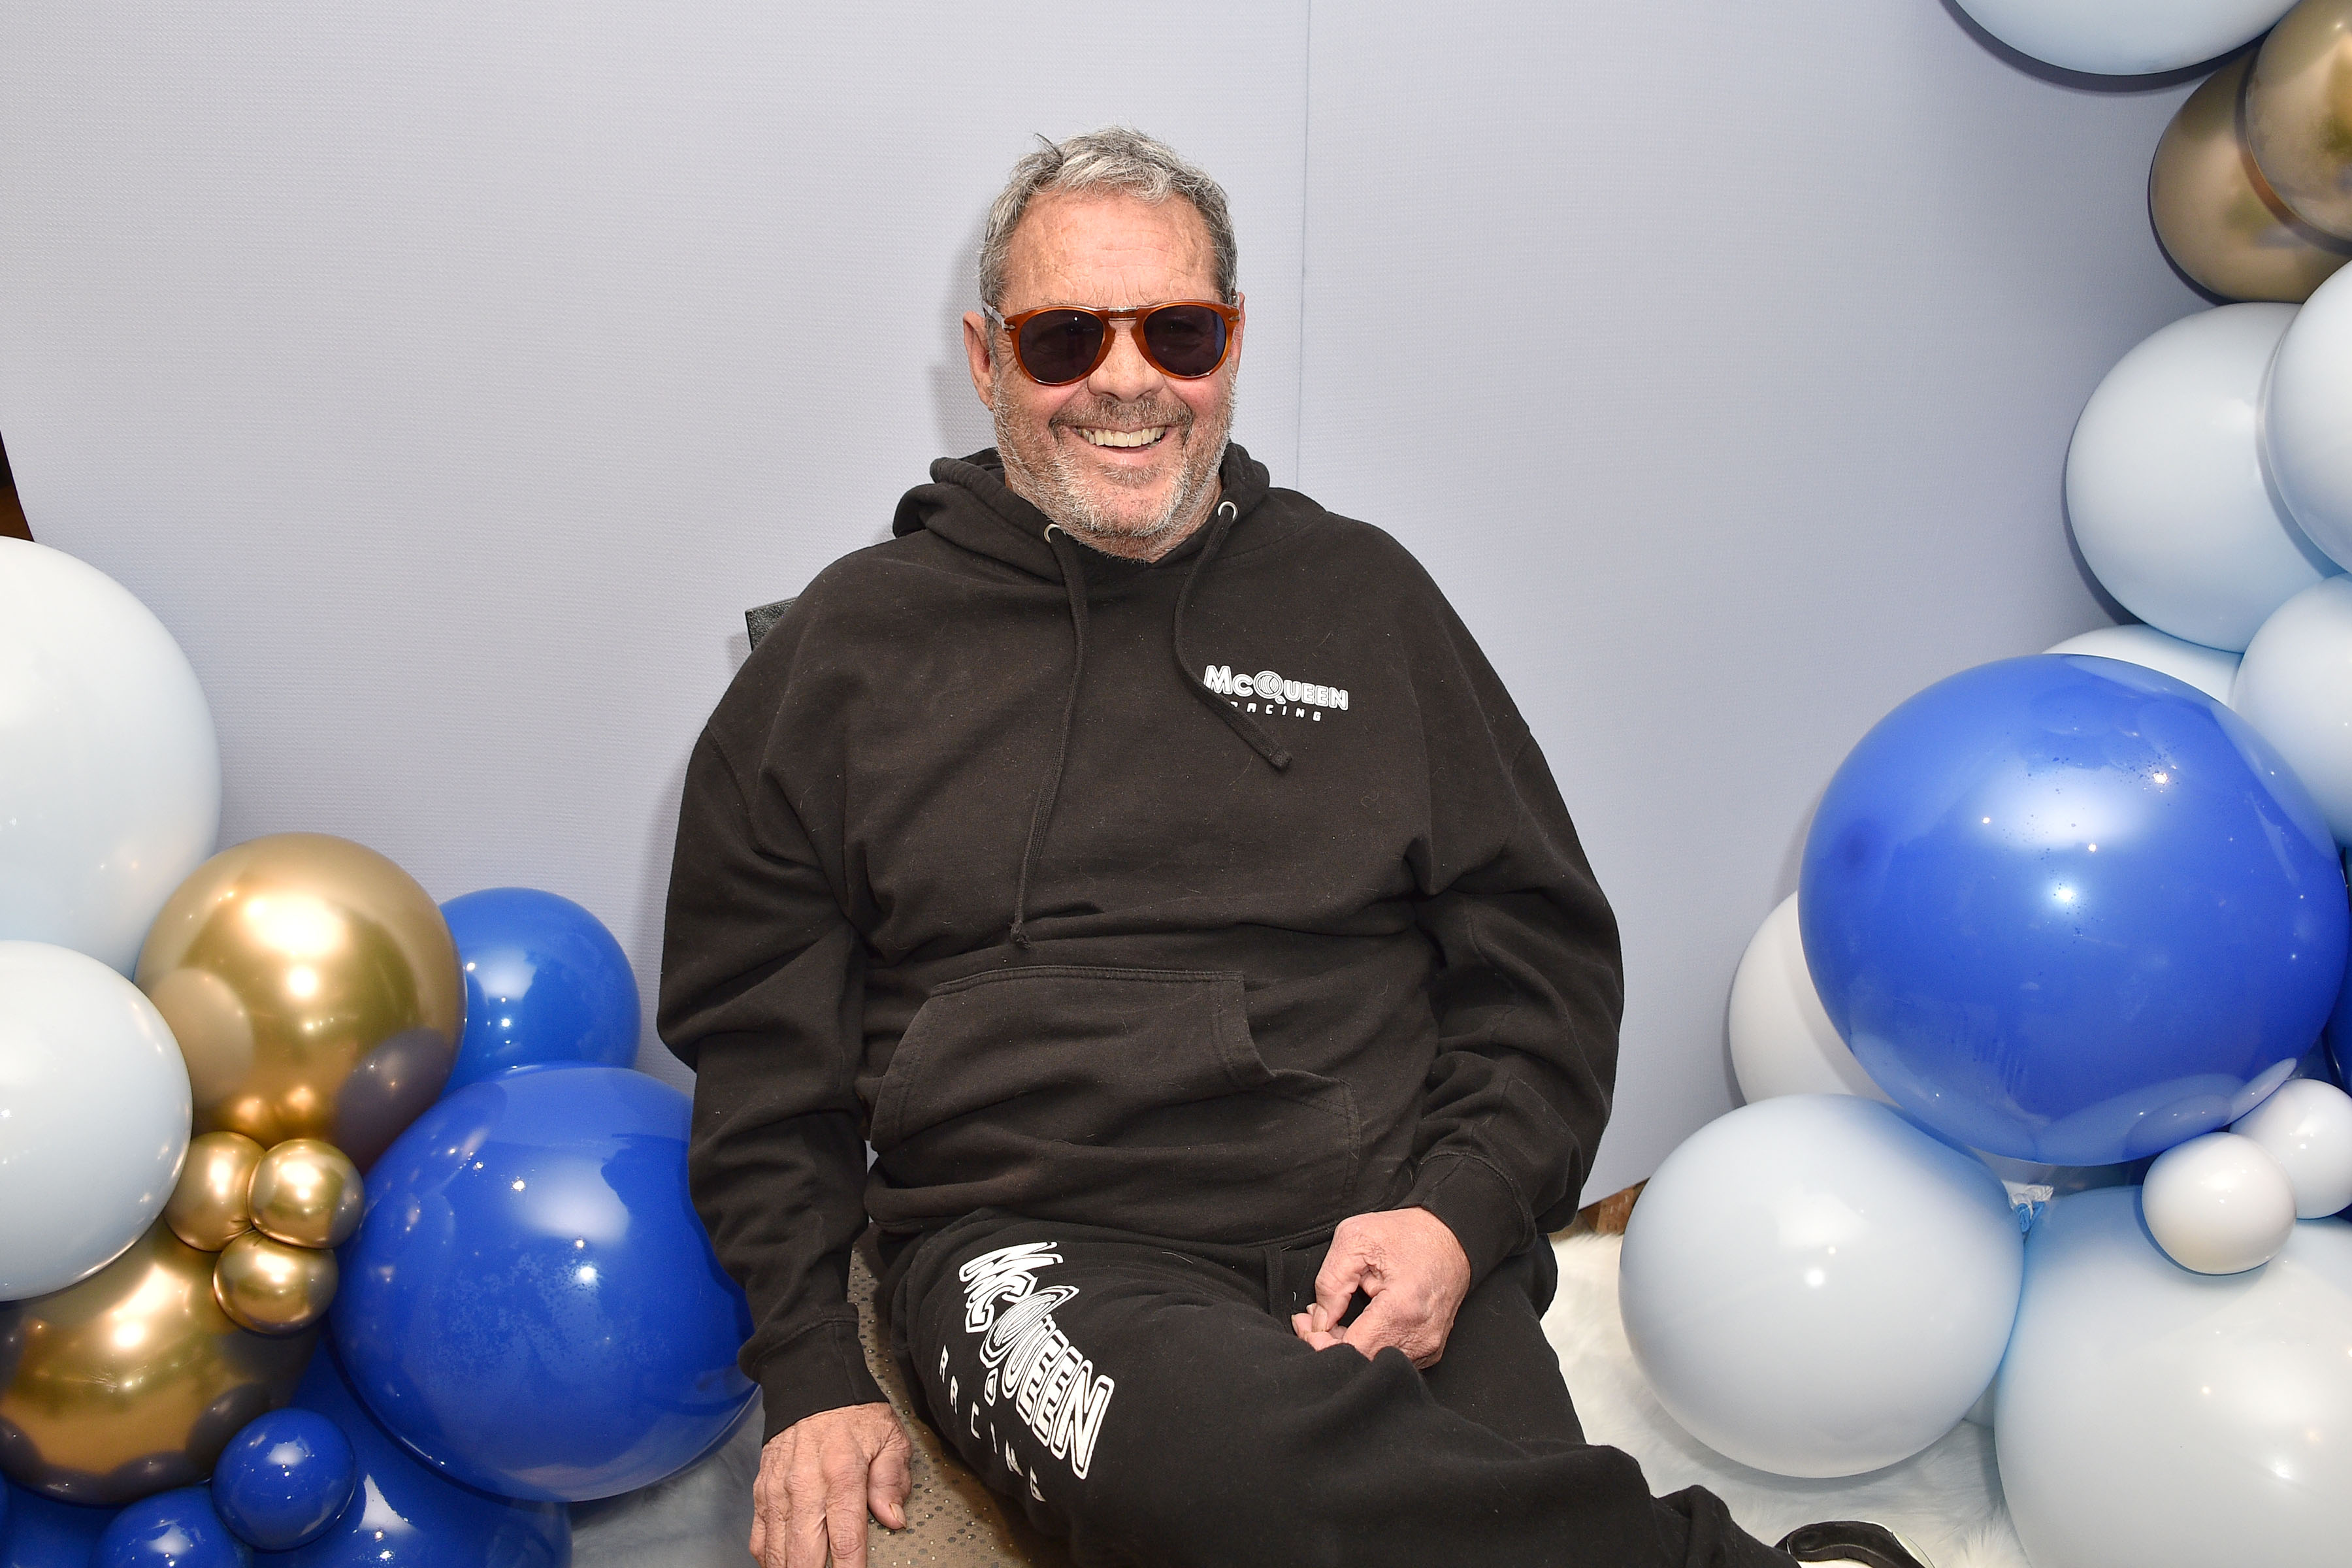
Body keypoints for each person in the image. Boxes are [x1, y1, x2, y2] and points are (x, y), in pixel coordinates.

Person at [660, 127, 1932, 1568]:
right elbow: (763, 1070)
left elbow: (1544, 972)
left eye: (1179, 332)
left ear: (1234, 342)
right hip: (1039, 1248)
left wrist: (1456, 1219)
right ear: (989, 355)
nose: (1128, 381)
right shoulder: (849, 652)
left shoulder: (1366, 599)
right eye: (1068, 338)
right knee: (1226, 1487)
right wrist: (811, 1368)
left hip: (1373, 1222)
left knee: (1474, 1497)